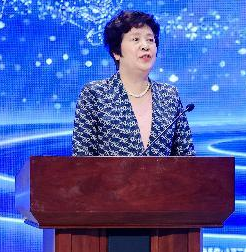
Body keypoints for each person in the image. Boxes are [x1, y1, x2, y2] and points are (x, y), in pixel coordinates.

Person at [72, 10, 195, 156]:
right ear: (116, 52)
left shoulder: (169, 95)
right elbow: (82, 159)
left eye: (150, 40)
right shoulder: (95, 94)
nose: (145, 46)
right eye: (136, 39)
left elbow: (187, 158)